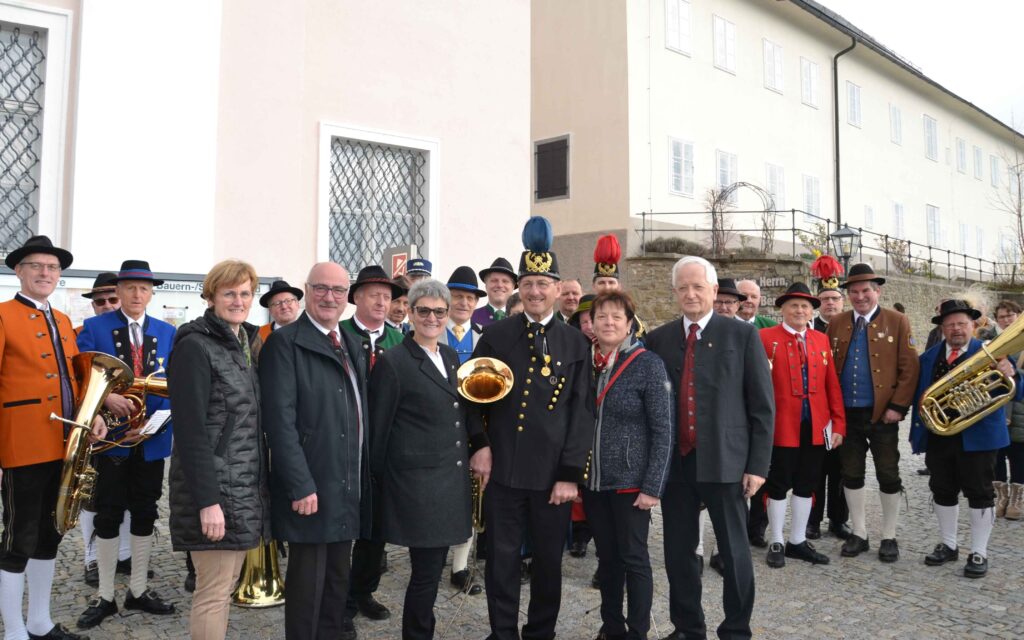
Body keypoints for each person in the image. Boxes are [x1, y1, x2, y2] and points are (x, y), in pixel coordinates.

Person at [468, 216, 593, 640]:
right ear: (518, 288)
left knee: (547, 563)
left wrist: (570, 474)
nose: (535, 291)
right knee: (501, 562)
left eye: (544, 283)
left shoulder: (577, 345)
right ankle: (502, 633)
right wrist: (480, 445)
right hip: (503, 472)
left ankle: (540, 632)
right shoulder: (496, 337)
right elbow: (471, 400)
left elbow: (581, 415)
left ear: (558, 289)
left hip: (551, 477)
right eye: (528, 283)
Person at [645, 256, 774, 640]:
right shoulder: (659, 339)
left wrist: (758, 465)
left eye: (698, 286)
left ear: (714, 291)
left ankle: (736, 628)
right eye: (683, 287)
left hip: (727, 462)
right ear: (674, 292)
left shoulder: (742, 335)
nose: (690, 293)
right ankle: (687, 627)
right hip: (677, 465)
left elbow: (762, 406)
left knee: (734, 553)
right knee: (679, 553)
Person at [0, 235, 106, 640]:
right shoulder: (4, 315)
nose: (46, 273)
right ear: (19, 271)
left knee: (50, 535)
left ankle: (39, 623)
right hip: (20, 445)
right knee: (17, 538)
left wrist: (90, 417)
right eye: (37, 266)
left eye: (52, 268)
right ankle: (12, 630)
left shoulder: (63, 320)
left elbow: (76, 382)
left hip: (66, 444)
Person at [261, 262, 369, 640]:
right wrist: (300, 484)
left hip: (345, 484)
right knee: (309, 588)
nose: (329, 297)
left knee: (337, 584)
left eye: (338, 291)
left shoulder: (351, 343)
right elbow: (279, 423)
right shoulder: (284, 343)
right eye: (321, 288)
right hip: (312, 486)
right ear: (306, 290)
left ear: (348, 297)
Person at [167, 259, 268, 640]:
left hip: (241, 487)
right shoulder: (196, 346)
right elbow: (191, 432)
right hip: (215, 492)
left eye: (245, 293)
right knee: (213, 593)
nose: (238, 300)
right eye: (229, 293)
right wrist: (208, 502)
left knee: (223, 589)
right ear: (210, 297)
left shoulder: (244, 341)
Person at [76, 260, 177, 629]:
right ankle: (104, 595)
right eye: (130, 288)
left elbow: (175, 384)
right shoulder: (93, 327)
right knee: (107, 512)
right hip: (111, 438)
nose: (137, 295)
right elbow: (81, 378)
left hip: (150, 438)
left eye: (144, 289)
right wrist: (104, 401)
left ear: (152, 293)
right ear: (117, 292)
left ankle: (137, 588)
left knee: (146, 510)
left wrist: (153, 426)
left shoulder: (168, 331)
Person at [369, 279, 472, 639]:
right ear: (410, 313)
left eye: (439, 312)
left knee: (430, 573)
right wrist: (384, 487)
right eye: (424, 310)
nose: (432, 318)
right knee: (426, 575)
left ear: (447, 315)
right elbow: (378, 432)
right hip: (418, 487)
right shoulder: (394, 361)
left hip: (448, 481)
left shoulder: (448, 355)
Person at [909, 299, 1019, 578]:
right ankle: (949, 544)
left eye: (961, 323)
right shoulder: (929, 357)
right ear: (943, 328)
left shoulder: (993, 355)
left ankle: (979, 551)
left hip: (979, 437)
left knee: (979, 492)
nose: (956, 329)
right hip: (941, 435)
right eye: (950, 324)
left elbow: (1017, 392)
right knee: (942, 489)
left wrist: (1013, 373)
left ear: (974, 325)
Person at [584, 291, 672, 640]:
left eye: (616, 317)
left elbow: (663, 429)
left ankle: (636, 632)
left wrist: (653, 486)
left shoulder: (648, 364)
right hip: (594, 482)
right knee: (607, 560)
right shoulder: (586, 362)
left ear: (629, 324)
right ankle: (611, 628)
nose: (608, 322)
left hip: (631, 483)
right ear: (591, 323)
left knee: (634, 559)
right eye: (601, 316)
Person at [826, 263, 920, 563]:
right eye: (853, 291)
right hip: (847, 416)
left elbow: (909, 368)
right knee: (850, 474)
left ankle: (889, 535)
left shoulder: (897, 320)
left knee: (888, 474)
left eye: (865, 290)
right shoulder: (837, 323)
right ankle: (860, 532)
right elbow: (827, 370)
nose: (860, 296)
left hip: (882, 415)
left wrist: (897, 407)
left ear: (877, 291)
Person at [759, 282, 846, 569]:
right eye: (794, 305)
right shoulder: (764, 337)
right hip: (781, 424)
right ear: (782, 309)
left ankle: (797, 540)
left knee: (807, 484)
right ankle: (776, 540)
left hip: (816, 423)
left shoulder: (820, 340)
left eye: (805, 306)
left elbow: (831, 384)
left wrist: (838, 425)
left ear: (812, 311)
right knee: (778, 483)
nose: (800, 310)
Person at [340, 265, 406, 625]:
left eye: (388, 296)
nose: (383, 302)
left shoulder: (400, 342)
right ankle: (338, 603)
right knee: (342, 528)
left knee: (375, 531)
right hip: (346, 447)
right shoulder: (340, 334)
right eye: (374, 295)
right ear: (357, 298)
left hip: (384, 453)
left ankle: (362, 591)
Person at [75, 271, 131, 589]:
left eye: (113, 299)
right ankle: (92, 558)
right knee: (93, 496)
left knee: (126, 494)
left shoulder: (138, 332)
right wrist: (106, 395)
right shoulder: (86, 332)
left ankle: (123, 555)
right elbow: (78, 373)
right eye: (101, 301)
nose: (107, 305)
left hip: (131, 427)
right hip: (96, 428)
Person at [808, 279, 851, 541]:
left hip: (844, 407)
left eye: (835, 298)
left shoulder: (851, 327)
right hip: (816, 409)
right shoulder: (809, 329)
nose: (831, 303)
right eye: (825, 299)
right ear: (818, 304)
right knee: (815, 469)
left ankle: (838, 519)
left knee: (842, 469)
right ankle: (812, 521)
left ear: (842, 302)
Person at [995, 300, 1024, 519]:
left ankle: (1017, 499)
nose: (1006, 320)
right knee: (997, 454)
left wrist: (1016, 374)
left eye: (1010, 315)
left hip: (1020, 410)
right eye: (1001, 317)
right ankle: (1001, 496)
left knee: (1018, 456)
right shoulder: (994, 342)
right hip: (997, 408)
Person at [590, 234, 646, 338]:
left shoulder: (632, 320)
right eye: (601, 282)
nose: (607, 287)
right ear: (593, 286)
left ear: (619, 286)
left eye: (611, 282)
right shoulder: (582, 316)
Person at [439, 266, 486, 365]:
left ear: (476, 301)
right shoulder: (431, 331)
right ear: (446, 298)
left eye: (470, 298)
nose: (464, 303)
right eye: (458, 296)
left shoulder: (486, 335)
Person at [472, 257, 518, 327]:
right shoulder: (471, 318)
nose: (499, 285)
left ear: (513, 287)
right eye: (494, 280)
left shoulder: (521, 319)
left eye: (505, 281)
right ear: (486, 285)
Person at [257, 279, 303, 343]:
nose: (284, 306)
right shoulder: (259, 335)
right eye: (277, 303)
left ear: (297, 304)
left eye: (288, 301)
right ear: (270, 310)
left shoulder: (310, 332)